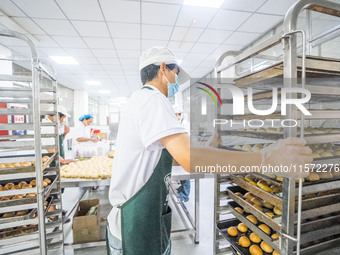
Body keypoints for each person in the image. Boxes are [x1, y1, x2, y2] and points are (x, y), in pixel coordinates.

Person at [107, 46, 312, 255]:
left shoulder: (140, 99)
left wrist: (207, 149)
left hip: (140, 220)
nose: (176, 83)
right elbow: (188, 158)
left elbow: (169, 155)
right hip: (134, 224)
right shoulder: (153, 100)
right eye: (175, 75)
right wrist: (267, 158)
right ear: (162, 69)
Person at [173, 106, 191, 202]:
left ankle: (184, 196)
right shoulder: (178, 123)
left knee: (185, 174)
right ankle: (181, 190)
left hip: (186, 151)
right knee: (180, 173)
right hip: (180, 151)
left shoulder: (185, 125)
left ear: (177, 115)